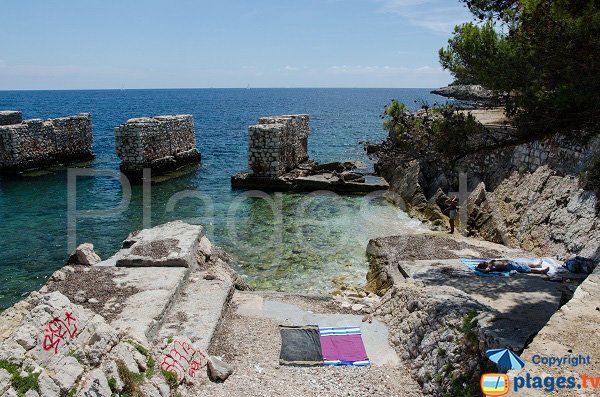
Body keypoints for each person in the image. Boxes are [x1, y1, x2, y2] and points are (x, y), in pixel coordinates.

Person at [476, 259, 550, 274]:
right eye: (483, 262)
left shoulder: (491, 262)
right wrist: (478, 269)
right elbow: (486, 271)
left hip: (511, 262)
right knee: (526, 269)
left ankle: (537, 265)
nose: (484, 261)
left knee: (525, 264)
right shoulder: (490, 266)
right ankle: (542, 271)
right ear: (484, 265)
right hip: (511, 266)